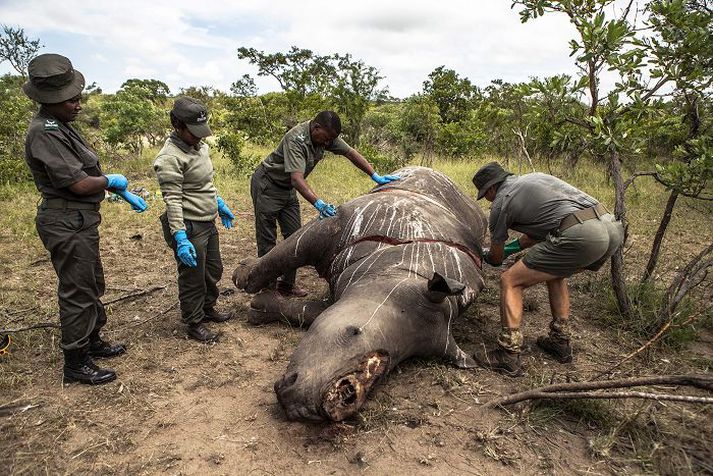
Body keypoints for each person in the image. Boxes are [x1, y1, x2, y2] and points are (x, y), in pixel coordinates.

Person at [23, 54, 148, 385]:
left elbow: (85, 171)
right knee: (77, 290)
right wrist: (110, 182)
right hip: (65, 219)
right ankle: (76, 361)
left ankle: (92, 340)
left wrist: (115, 189)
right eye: (71, 100)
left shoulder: (61, 126)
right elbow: (78, 183)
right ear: (50, 101)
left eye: (78, 97)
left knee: (92, 282)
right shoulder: (43, 132)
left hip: (79, 218)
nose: (78, 105)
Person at [471, 162, 624, 377]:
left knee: (510, 280)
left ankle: (508, 354)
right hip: (610, 229)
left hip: (582, 235)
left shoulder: (500, 203)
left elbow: (495, 260)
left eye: (484, 195)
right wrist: (512, 249)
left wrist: (487, 254)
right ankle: (560, 341)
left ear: (491, 189)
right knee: (555, 272)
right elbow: (539, 232)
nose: (487, 200)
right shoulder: (535, 179)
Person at [250, 110, 399, 297]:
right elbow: (296, 179)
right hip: (269, 184)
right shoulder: (295, 139)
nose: (328, 143)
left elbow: (351, 153)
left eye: (331, 140)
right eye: (326, 138)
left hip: (288, 189)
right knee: (267, 239)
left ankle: (287, 286)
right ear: (316, 127)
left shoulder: (326, 135)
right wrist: (318, 203)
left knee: (294, 236)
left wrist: (374, 175)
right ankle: (268, 290)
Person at [154, 97, 236, 343]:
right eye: (193, 132)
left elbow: (205, 182)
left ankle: (208, 308)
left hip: (207, 220)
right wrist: (179, 236)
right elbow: (173, 200)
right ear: (178, 126)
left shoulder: (200, 147)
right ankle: (194, 321)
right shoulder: (169, 157)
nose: (199, 137)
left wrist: (218, 203)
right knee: (192, 277)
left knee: (213, 269)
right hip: (188, 225)